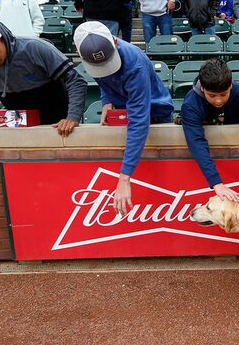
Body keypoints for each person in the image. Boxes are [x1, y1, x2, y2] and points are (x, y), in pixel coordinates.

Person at [73, 21, 174, 216]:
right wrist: (106, 101)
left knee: (156, 179)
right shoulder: (91, 54)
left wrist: (124, 178)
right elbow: (103, 79)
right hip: (122, 109)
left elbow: (139, 121)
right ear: (79, 54)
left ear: (114, 43)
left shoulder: (134, 63)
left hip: (156, 112)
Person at [182, 59, 239, 201]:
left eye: (223, 94)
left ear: (230, 86)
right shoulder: (190, 104)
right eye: (212, 95)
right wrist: (216, 183)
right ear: (202, 88)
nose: (218, 101)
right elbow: (196, 142)